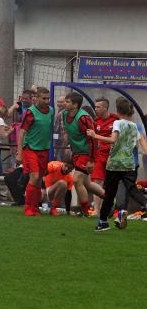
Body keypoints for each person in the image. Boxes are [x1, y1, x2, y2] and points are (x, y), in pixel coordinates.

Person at [87, 97, 147, 231]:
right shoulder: (134, 126)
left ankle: (102, 222)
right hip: (129, 164)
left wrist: (95, 135)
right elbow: (143, 144)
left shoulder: (117, 123)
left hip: (114, 164)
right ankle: (144, 202)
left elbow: (112, 140)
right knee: (131, 188)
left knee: (109, 193)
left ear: (118, 111)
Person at [63, 92, 105, 216]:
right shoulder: (65, 114)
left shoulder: (83, 118)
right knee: (87, 184)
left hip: (86, 152)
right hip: (77, 152)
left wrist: (91, 160)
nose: (65, 103)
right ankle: (108, 200)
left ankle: (85, 212)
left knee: (76, 180)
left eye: (67, 101)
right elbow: (70, 133)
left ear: (75, 105)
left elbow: (92, 139)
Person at [16, 87, 53, 216]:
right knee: (35, 176)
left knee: (39, 180)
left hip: (44, 149)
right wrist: (19, 152)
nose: (47, 101)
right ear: (36, 98)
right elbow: (22, 133)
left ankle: (35, 207)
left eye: (48, 98)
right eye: (44, 98)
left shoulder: (51, 111)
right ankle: (28, 207)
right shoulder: (31, 112)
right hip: (30, 149)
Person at [89, 97, 119, 216]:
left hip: (113, 155)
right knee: (97, 181)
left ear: (105, 107)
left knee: (112, 182)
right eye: (95, 107)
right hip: (100, 156)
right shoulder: (96, 122)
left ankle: (112, 205)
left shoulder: (116, 119)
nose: (95, 109)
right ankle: (97, 209)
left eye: (98, 107)